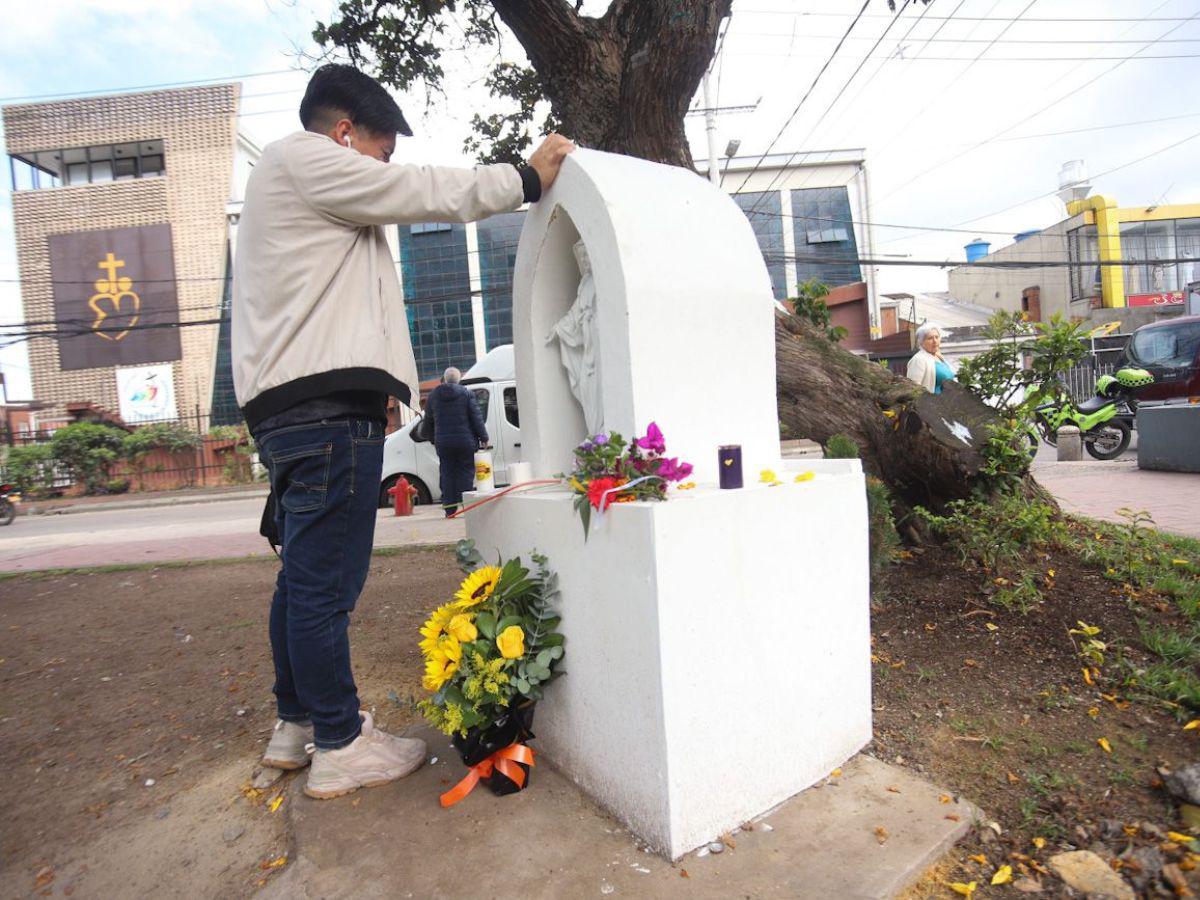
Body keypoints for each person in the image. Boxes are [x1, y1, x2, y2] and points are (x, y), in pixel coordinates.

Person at [232, 63, 573, 799]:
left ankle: (297, 724)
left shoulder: (289, 188)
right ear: (344, 134)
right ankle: (339, 744)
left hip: (295, 411)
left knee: (302, 582)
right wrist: (523, 178)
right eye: (380, 154)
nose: (384, 172)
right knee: (325, 587)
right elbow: (421, 190)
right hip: (324, 412)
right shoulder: (304, 158)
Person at [424, 367, 488, 516]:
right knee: (466, 473)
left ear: (445, 379)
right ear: (459, 380)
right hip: (465, 442)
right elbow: (476, 418)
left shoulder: (433, 396)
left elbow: (428, 421)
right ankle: (466, 507)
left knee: (447, 473)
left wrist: (433, 439)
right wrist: (484, 437)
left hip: (444, 443)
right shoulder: (467, 394)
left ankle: (450, 509)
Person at [906, 323, 955, 394]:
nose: (935, 341)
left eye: (937, 337)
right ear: (921, 342)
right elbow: (913, 390)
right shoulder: (918, 359)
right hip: (933, 400)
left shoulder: (939, 357)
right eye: (930, 338)